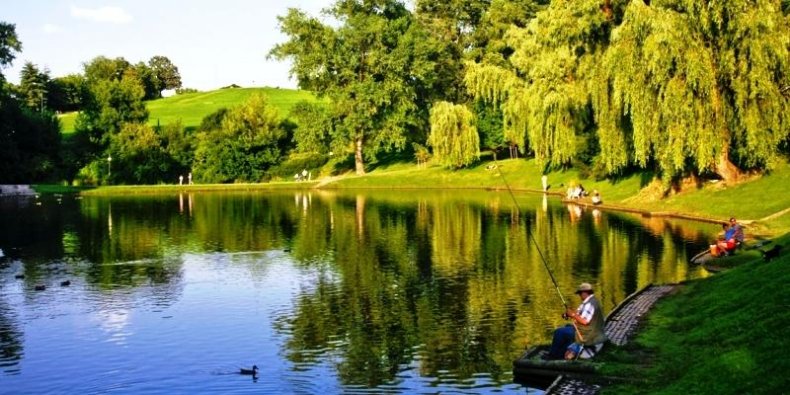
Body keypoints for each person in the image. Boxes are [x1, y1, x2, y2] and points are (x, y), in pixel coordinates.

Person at [544, 283, 607, 360]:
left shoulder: (590, 304)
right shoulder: (587, 302)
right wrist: (567, 314)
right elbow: (578, 314)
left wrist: (573, 315)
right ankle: (561, 353)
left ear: (585, 292)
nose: (580, 296)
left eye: (580, 293)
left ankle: (552, 355)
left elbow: (585, 322)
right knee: (567, 327)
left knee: (559, 332)